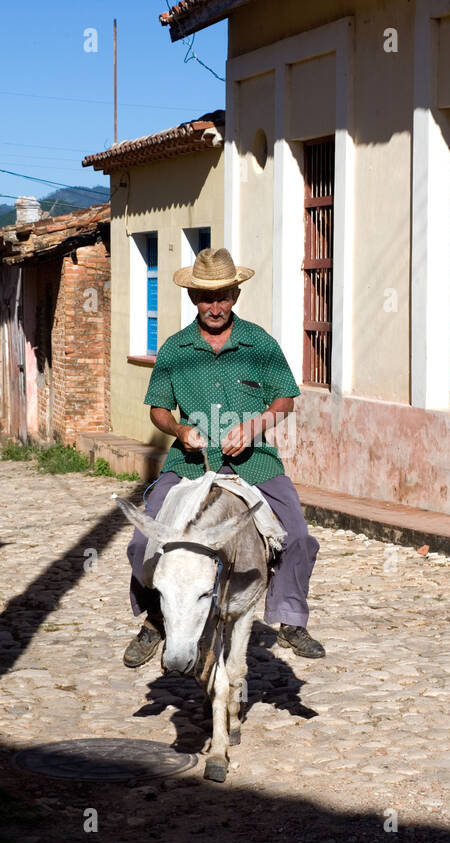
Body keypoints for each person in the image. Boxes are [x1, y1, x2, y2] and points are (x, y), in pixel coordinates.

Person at [123, 247, 325, 667]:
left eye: (222, 297)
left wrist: (253, 426)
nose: (214, 307)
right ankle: (156, 619)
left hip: (256, 461)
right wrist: (180, 430)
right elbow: (158, 408)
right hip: (189, 464)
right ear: (193, 298)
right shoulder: (176, 349)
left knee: (299, 536)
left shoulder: (260, 343)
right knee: (143, 540)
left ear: (235, 295)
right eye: (204, 297)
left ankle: (289, 618)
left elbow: (285, 398)